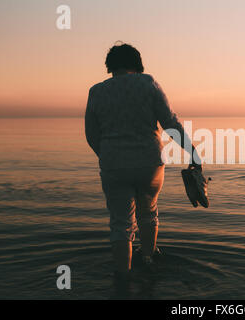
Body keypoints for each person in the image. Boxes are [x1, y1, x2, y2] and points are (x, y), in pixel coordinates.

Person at [85, 42, 201, 280]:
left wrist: (106, 154)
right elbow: (170, 122)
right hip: (149, 161)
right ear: (137, 64)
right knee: (148, 212)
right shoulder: (148, 84)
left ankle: (122, 277)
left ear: (110, 66)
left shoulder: (96, 91)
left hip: (114, 164)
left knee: (120, 222)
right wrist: (192, 152)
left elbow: (91, 133)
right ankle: (147, 258)